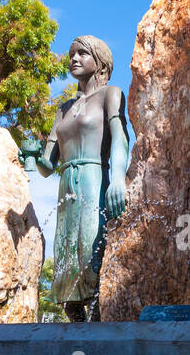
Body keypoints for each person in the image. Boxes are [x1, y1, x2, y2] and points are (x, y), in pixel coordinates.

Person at [30, 35, 128, 321]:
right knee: (65, 265)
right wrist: (32, 155)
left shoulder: (111, 94)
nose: (74, 59)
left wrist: (119, 179)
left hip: (94, 178)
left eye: (82, 53)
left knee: (91, 256)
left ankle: (98, 332)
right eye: (72, 54)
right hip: (65, 186)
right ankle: (77, 334)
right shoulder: (63, 110)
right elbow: (47, 166)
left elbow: (120, 138)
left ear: (100, 63)